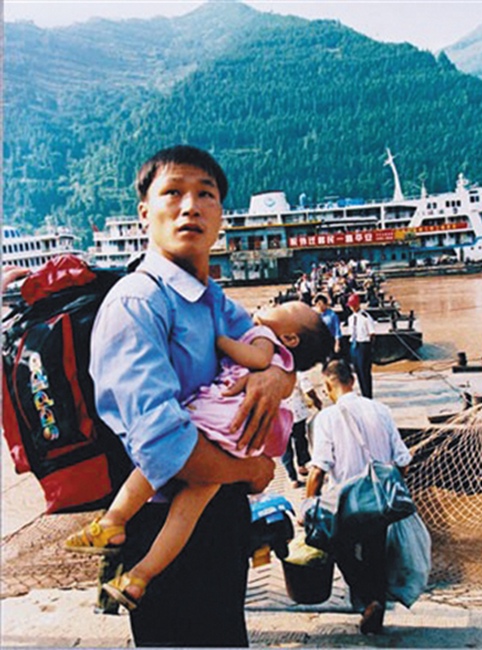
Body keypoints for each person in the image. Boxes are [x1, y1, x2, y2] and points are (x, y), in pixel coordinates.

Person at [76, 145, 295, 648]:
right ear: (144, 213)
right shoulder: (138, 303)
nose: (190, 207)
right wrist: (250, 470)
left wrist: (273, 378)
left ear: (220, 215)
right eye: (172, 193)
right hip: (160, 519)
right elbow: (163, 443)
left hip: (217, 512)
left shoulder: (210, 298)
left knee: (225, 635)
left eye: (205, 194)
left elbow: (273, 348)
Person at [65, 300, 334, 610]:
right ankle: (139, 577)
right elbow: (278, 372)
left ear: (290, 338)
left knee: (158, 459)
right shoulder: (279, 357)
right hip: (236, 437)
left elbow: (257, 357)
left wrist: (218, 341)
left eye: (286, 307)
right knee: (185, 515)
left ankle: (114, 520)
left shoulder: (263, 337)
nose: (276, 304)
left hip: (219, 419)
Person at [305, 358, 411, 635]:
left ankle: (367, 600)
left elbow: (319, 469)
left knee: (336, 546)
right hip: (381, 500)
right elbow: (403, 460)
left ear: (328, 387)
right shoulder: (381, 410)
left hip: (347, 503)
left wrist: (308, 504)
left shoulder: (326, 417)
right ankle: (376, 610)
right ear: (353, 381)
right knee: (376, 554)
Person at [282, 370, 323, 488]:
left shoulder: (269, 372)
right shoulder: (295, 370)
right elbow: (307, 388)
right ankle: (302, 465)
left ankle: (292, 478)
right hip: (296, 412)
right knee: (300, 438)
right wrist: (316, 401)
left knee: (285, 447)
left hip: (280, 416)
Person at [347, 293, 375, 398]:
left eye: (354, 305)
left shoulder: (365, 317)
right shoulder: (351, 318)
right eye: (351, 306)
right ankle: (363, 392)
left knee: (364, 372)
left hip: (363, 344)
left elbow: (372, 333)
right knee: (357, 370)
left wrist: (370, 348)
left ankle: (367, 394)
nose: (352, 308)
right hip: (354, 344)